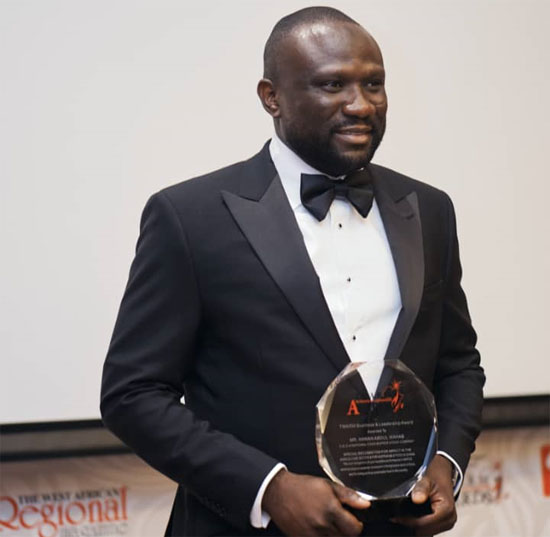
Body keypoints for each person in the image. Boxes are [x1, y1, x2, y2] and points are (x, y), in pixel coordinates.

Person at [101, 6, 485, 537]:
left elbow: (458, 364)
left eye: (374, 84)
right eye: (332, 85)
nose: (361, 105)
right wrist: (268, 487)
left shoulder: (429, 209)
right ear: (271, 97)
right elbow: (132, 393)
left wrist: (448, 464)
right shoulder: (189, 217)